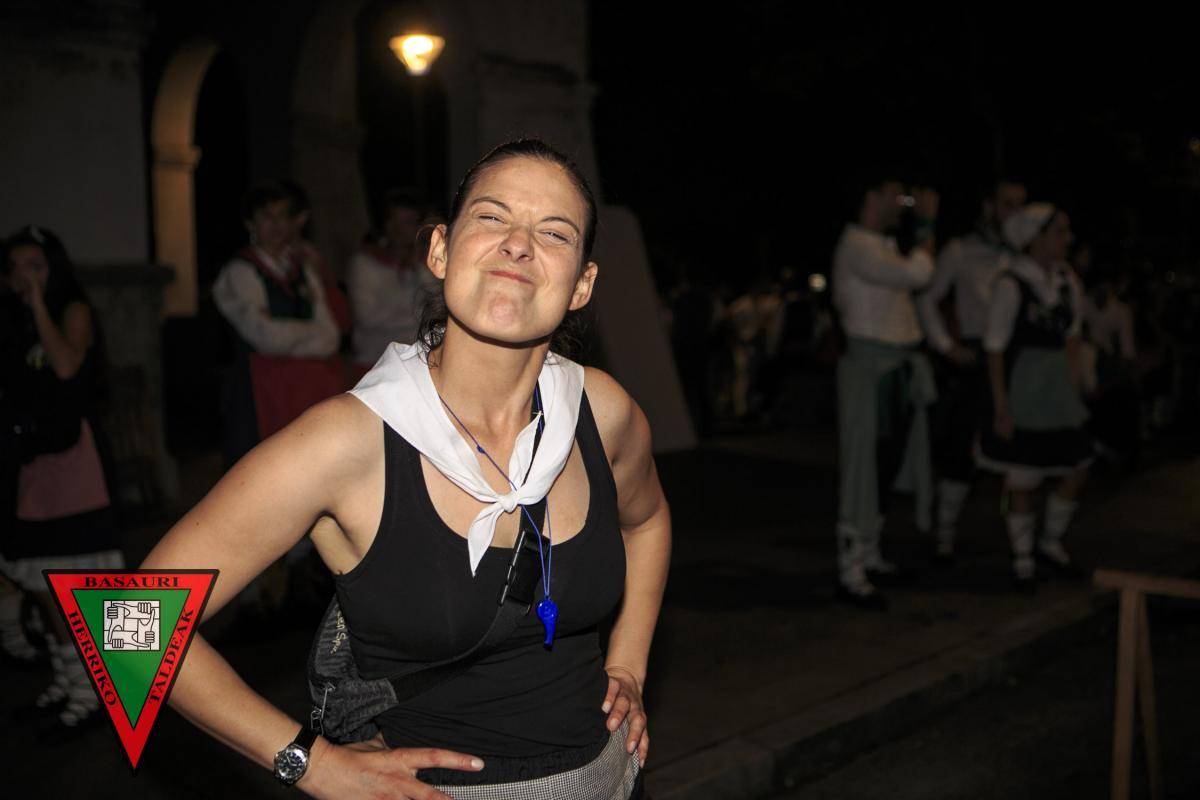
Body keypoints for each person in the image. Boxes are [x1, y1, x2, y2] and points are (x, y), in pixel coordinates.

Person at [142, 139, 670, 798]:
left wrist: (630, 663)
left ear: (582, 285)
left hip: (613, 780)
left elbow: (647, 522)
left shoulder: (602, 411)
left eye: (554, 232)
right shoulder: (346, 442)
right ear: (440, 250)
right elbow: (128, 625)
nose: (518, 244)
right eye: (492, 217)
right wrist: (312, 764)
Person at [0, 225, 123, 733]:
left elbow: (68, 366)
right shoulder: (9, 319)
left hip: (74, 465)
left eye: (36, 266)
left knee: (76, 586)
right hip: (31, 464)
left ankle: (93, 694)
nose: (25, 277)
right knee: (40, 584)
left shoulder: (71, 310)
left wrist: (37, 305)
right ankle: (70, 682)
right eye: (15, 268)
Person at [831, 177, 939, 609]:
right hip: (869, 372)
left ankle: (870, 555)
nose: (903, 202)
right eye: (895, 194)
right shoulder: (857, 245)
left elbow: (915, 292)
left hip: (895, 369)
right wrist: (927, 223)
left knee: (885, 466)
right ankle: (851, 571)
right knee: (863, 468)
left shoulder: (883, 245)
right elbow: (920, 273)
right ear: (871, 197)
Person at [976, 203, 1091, 588]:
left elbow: (1073, 337)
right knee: (1022, 475)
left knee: (1077, 464)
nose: (1067, 239)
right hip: (1023, 386)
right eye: (1059, 231)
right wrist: (1001, 405)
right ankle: (1022, 556)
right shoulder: (1011, 283)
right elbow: (994, 349)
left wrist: (1076, 384)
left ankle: (1050, 542)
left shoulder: (1066, 281)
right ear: (1036, 238)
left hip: (1057, 387)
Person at [917, 179, 1027, 560]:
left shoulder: (1025, 255)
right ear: (988, 206)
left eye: (1021, 205)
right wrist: (946, 346)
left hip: (1018, 360)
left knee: (1021, 456)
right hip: (977, 359)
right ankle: (945, 536)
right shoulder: (961, 251)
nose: (1015, 213)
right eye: (1008, 203)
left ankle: (1022, 552)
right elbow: (927, 298)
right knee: (960, 453)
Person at [212, 180, 345, 469]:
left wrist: (290, 333)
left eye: (283, 215)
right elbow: (266, 338)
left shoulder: (302, 271)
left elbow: (331, 336)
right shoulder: (240, 272)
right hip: (259, 392)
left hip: (306, 391)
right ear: (250, 223)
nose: (276, 225)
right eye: (267, 217)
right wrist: (309, 333)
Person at [348, 189, 439, 373]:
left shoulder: (425, 264)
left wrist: (419, 266)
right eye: (394, 221)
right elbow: (368, 316)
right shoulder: (365, 262)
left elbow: (439, 304)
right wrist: (419, 315)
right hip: (373, 363)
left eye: (408, 222)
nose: (399, 230)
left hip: (418, 364)